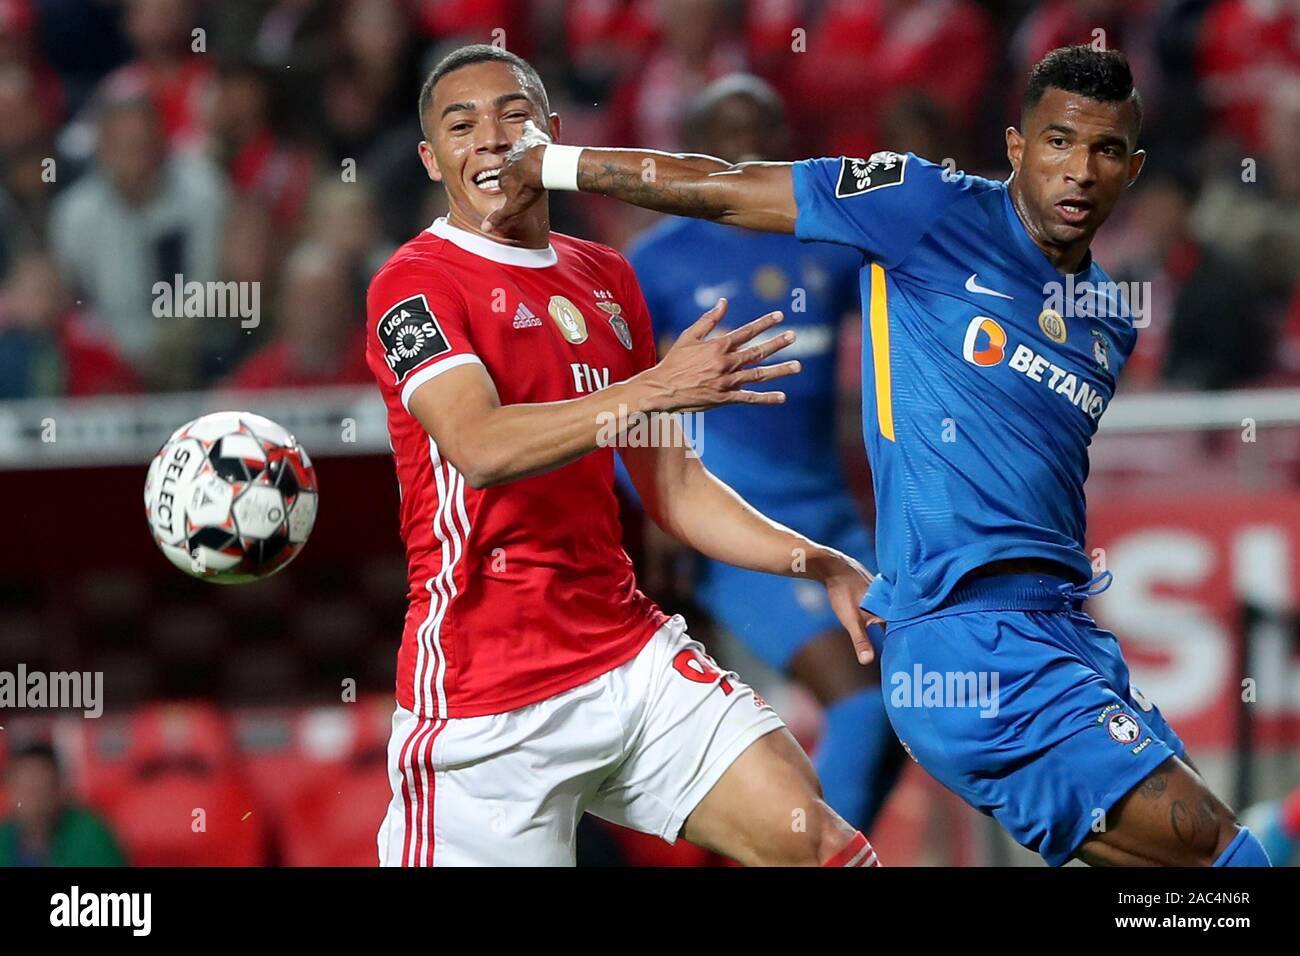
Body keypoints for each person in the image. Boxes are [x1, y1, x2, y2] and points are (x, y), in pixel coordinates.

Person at [488, 44, 1271, 867]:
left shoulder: (1108, 317)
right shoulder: (923, 209)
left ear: (1133, 167)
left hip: (1069, 634)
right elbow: (718, 184)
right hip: (970, 642)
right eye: (1058, 142)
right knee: (1229, 861)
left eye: (1105, 150)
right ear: (1016, 147)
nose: (1079, 170)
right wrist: (556, 163)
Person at [366, 44, 880, 868]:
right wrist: (654, 388)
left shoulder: (606, 277)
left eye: (513, 116)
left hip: (626, 653)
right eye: (462, 126)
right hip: (486, 696)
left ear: (553, 134)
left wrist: (813, 561)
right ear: (433, 158)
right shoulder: (415, 285)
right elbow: (480, 446)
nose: (492, 140)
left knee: (813, 839)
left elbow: (673, 484)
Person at [623, 74, 905, 832]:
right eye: (731, 130)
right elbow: (628, 396)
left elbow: (906, 287)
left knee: (909, 707)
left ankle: (819, 847)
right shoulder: (658, 259)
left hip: (835, 518)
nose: (749, 146)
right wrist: (660, 505)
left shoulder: (827, 247)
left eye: (765, 130)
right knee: (862, 704)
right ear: (697, 149)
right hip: (734, 522)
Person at [0, 743, 125, 867]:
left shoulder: (90, 836)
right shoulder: (3, 837)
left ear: (60, 788)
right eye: (25, 789)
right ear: (10, 789)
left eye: (41, 788)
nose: (34, 801)